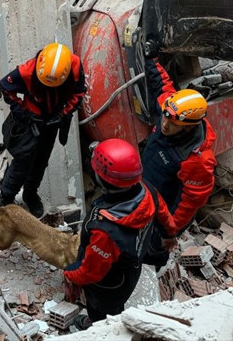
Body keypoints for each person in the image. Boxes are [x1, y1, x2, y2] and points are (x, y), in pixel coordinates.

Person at [64, 138, 176, 329]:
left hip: (108, 284)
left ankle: (99, 326)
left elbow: (91, 272)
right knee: (116, 304)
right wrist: (169, 236)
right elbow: (164, 215)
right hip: (130, 270)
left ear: (102, 180)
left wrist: (70, 274)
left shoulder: (106, 230)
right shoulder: (146, 189)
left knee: (102, 310)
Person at [140, 57, 216, 267]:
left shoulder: (196, 160)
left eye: (172, 124)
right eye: (164, 117)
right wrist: (150, 57)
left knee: (153, 249)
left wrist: (169, 231)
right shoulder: (171, 109)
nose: (164, 125)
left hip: (163, 214)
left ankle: (150, 269)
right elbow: (161, 83)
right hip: (145, 192)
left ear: (189, 127)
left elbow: (189, 203)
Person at [0, 42, 86, 218]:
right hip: (30, 122)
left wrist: (63, 114)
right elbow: (6, 88)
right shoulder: (27, 71)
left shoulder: (74, 67)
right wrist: (23, 114)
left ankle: (30, 193)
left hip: (52, 122)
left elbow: (79, 93)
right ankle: (6, 197)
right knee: (23, 160)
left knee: (41, 161)